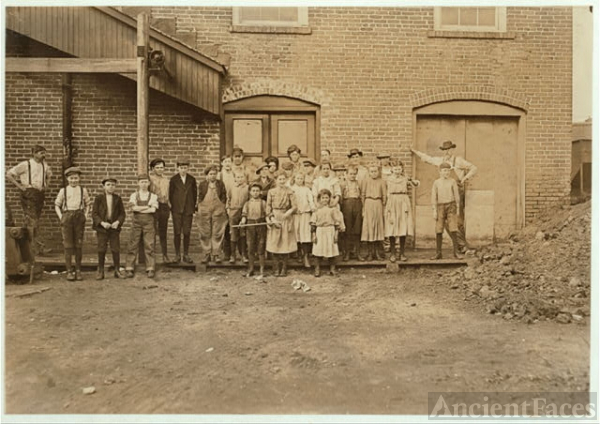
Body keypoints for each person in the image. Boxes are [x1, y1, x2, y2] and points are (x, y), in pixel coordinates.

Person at [411, 140, 477, 252]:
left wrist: (465, 178)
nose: (447, 152)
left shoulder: (458, 160)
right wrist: (415, 151)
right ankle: (462, 246)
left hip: (456, 191)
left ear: (452, 150)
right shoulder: (440, 161)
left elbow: (473, 168)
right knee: (446, 221)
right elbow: (428, 159)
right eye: (445, 150)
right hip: (443, 193)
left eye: (449, 149)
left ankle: (463, 246)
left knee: (458, 220)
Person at [6, 145, 53, 255]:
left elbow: (49, 175)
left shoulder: (44, 165)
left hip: (39, 194)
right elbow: (9, 174)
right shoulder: (25, 164)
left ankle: (27, 248)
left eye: (44, 153)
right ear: (34, 153)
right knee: (33, 221)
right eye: (41, 153)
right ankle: (37, 248)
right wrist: (20, 186)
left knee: (32, 220)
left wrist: (46, 185)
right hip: (28, 193)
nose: (44, 155)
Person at [54, 167, 90, 281]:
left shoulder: (83, 190)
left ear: (79, 178)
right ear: (67, 179)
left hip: (79, 216)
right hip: (67, 216)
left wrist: (85, 215)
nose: (74, 180)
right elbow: (57, 205)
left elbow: (88, 204)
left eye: (76, 178)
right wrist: (61, 217)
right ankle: (69, 271)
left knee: (78, 245)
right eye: (71, 178)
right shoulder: (63, 190)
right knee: (68, 245)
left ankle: (78, 270)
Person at [385, 161, 420, 262]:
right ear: (392, 169)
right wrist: (388, 207)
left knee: (402, 227)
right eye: (395, 169)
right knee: (392, 227)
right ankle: (392, 253)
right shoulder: (388, 179)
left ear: (402, 169)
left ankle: (402, 253)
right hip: (392, 200)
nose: (397, 171)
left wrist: (411, 179)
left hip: (403, 201)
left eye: (399, 169)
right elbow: (387, 193)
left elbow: (416, 184)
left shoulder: (405, 178)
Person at [92, 177, 126, 280]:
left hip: (114, 228)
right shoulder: (98, 198)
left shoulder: (117, 198)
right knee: (101, 249)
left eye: (113, 185)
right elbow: (94, 214)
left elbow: (122, 214)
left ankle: (117, 270)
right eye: (108, 185)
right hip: (102, 228)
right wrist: (102, 223)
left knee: (115, 249)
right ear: (104, 186)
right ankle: (100, 271)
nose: (111, 187)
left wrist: (117, 222)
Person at [125, 174, 158, 278]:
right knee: (133, 244)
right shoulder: (134, 195)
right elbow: (132, 209)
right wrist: (147, 206)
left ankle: (150, 268)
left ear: (149, 183)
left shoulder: (153, 196)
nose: (144, 184)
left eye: (146, 182)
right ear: (138, 183)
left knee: (149, 244)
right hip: (136, 222)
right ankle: (129, 267)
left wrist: (139, 207)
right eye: (142, 182)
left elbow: (153, 210)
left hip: (149, 222)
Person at [266, 170, 298, 277]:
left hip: (286, 217)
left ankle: (284, 268)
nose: (282, 181)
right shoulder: (271, 192)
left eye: (283, 179)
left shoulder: (290, 191)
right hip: (275, 216)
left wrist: (287, 214)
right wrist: (272, 218)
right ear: (276, 180)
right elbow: (268, 207)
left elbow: (294, 207)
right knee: (275, 243)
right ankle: (276, 268)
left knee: (285, 243)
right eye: (279, 179)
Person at [430, 162, 462, 260]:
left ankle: (456, 252)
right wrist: (434, 210)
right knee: (439, 229)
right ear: (440, 171)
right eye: (444, 171)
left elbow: (456, 196)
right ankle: (438, 253)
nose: (446, 173)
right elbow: (433, 197)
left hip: (451, 206)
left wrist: (457, 208)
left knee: (453, 228)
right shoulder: (436, 182)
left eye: (448, 171)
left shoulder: (452, 181)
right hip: (440, 207)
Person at [311, 189, 345, 277]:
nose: (325, 200)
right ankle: (317, 269)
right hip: (320, 231)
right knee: (318, 250)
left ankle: (332, 269)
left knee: (332, 250)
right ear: (319, 199)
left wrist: (336, 235)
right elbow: (313, 225)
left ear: (330, 199)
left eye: (327, 198)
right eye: (323, 198)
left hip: (330, 231)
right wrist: (314, 235)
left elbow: (337, 223)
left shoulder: (333, 210)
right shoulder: (316, 210)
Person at [198, 165, 228, 264]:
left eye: (214, 174)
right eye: (210, 174)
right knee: (205, 231)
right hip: (205, 208)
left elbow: (224, 195)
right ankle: (207, 253)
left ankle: (216, 254)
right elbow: (200, 196)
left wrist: (222, 205)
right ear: (207, 175)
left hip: (218, 208)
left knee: (217, 231)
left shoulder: (220, 184)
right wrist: (200, 206)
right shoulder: (202, 184)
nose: (213, 176)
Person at [169, 158, 197, 263]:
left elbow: (194, 194)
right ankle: (177, 255)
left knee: (186, 232)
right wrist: (174, 207)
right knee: (177, 232)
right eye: (181, 168)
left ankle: (186, 254)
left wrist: (192, 207)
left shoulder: (192, 179)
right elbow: (171, 195)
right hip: (177, 209)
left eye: (185, 168)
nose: (183, 170)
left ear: (188, 168)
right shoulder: (174, 180)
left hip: (188, 210)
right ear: (177, 168)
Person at [360, 164, 387, 261]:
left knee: (378, 228)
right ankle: (370, 253)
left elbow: (384, 195)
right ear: (369, 172)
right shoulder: (365, 181)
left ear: (378, 172)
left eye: (375, 171)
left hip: (378, 203)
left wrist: (383, 207)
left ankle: (377, 253)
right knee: (369, 228)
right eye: (371, 171)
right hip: (368, 203)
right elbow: (362, 194)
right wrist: (363, 207)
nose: (374, 173)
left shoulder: (382, 181)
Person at [240, 183, 268, 277]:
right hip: (250, 225)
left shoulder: (263, 203)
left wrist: (269, 221)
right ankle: (251, 268)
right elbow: (244, 215)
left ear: (260, 192)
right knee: (250, 247)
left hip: (261, 225)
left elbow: (267, 214)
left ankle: (262, 270)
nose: (255, 193)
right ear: (250, 192)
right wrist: (243, 222)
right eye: (253, 191)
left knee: (261, 247)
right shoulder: (247, 203)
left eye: (257, 191)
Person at [149, 158, 172, 264]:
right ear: (153, 169)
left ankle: (165, 255)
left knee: (163, 231)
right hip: (153, 206)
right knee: (152, 231)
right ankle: (150, 257)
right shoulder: (149, 179)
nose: (160, 169)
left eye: (161, 167)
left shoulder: (166, 180)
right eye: (157, 168)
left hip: (164, 206)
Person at [291, 172, 315, 268]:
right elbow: (290, 202)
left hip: (305, 214)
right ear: (294, 179)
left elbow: (311, 200)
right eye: (298, 178)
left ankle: (306, 256)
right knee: (296, 233)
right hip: (295, 214)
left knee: (305, 234)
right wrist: (294, 210)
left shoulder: (307, 189)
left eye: (301, 178)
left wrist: (312, 208)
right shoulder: (291, 189)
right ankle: (298, 254)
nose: (300, 180)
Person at [340, 165, 363, 261]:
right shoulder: (342, 184)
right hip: (347, 205)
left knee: (357, 229)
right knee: (347, 230)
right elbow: (340, 197)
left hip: (357, 204)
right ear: (346, 174)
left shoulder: (359, 183)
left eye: (354, 174)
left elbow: (361, 195)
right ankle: (347, 253)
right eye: (350, 174)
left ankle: (357, 253)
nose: (352, 176)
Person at [226, 171, 249, 264]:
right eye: (238, 177)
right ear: (235, 178)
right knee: (233, 233)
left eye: (241, 177)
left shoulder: (247, 188)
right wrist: (228, 210)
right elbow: (228, 199)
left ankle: (243, 254)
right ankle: (233, 255)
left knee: (243, 233)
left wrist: (245, 212)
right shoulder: (231, 187)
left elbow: (248, 201)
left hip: (243, 212)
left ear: (244, 177)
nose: (240, 179)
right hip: (233, 212)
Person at [218, 155, 234, 262]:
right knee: (223, 228)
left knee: (232, 229)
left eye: (229, 161)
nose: (228, 163)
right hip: (222, 204)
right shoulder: (219, 175)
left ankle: (233, 253)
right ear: (222, 163)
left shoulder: (234, 175)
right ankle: (225, 252)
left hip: (233, 205)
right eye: (225, 161)